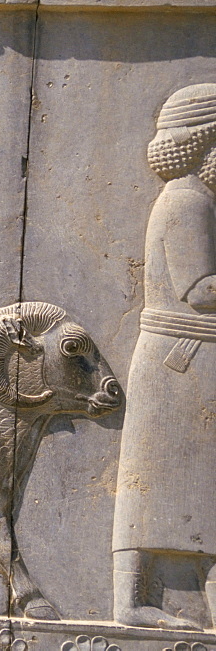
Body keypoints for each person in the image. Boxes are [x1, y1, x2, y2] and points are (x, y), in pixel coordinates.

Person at [112, 83, 216, 631]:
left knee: (203, 487)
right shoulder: (187, 198)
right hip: (180, 358)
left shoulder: (198, 199)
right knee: (148, 484)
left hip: (193, 357)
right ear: (207, 145)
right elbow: (199, 289)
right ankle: (130, 604)